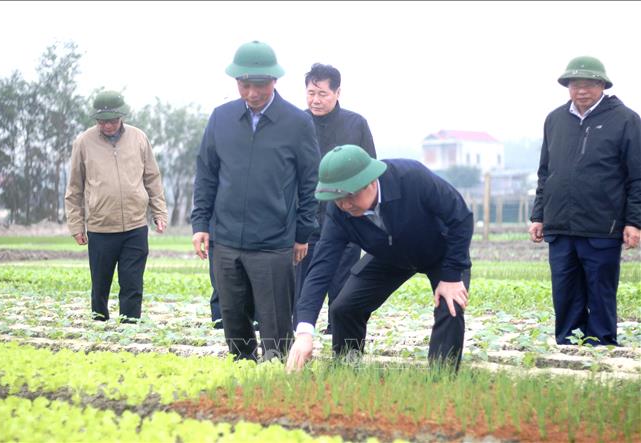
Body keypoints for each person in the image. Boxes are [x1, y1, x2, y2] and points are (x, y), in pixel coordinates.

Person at [287, 145, 473, 372]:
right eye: (337, 199)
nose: (345, 205)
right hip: (390, 255)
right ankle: (347, 369)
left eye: (350, 195)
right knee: (344, 308)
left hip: (441, 250)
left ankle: (442, 377)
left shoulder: (412, 178)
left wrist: (452, 276)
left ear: (371, 182)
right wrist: (304, 331)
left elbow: (461, 217)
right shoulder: (340, 213)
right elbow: (321, 267)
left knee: (451, 304)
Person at [191, 40, 320, 361]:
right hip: (225, 239)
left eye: (259, 85)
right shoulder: (221, 118)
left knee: (275, 321)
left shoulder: (296, 123)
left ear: (274, 81)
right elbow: (206, 173)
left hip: (274, 241)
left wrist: (303, 232)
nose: (251, 93)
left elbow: (310, 182)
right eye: (244, 85)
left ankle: (276, 372)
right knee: (233, 317)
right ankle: (243, 369)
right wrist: (200, 224)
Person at [529, 56, 641, 346]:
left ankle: (602, 343)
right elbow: (546, 172)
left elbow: (637, 177)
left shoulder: (625, 120)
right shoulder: (555, 120)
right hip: (560, 223)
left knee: (600, 288)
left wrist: (634, 222)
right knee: (564, 289)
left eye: (589, 84)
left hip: (602, 224)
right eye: (575, 84)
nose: (581, 90)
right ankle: (567, 343)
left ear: (602, 85)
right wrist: (538, 215)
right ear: (567, 87)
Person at [65, 90, 168, 323]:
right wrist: (76, 225)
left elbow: (152, 178)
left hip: (135, 226)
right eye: (102, 121)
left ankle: (130, 327)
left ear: (121, 116)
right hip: (101, 228)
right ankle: (99, 326)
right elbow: (74, 189)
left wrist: (159, 212)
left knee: (132, 283)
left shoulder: (139, 138)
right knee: (100, 284)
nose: (108, 125)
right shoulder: (83, 142)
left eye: (112, 120)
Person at [294, 63, 377, 334]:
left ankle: (339, 332)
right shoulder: (296, 123)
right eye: (310, 93)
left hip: (346, 216)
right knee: (302, 283)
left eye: (322, 94)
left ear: (338, 92)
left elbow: (369, 170)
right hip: (304, 219)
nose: (315, 100)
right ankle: (300, 330)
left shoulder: (356, 124)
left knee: (343, 281)